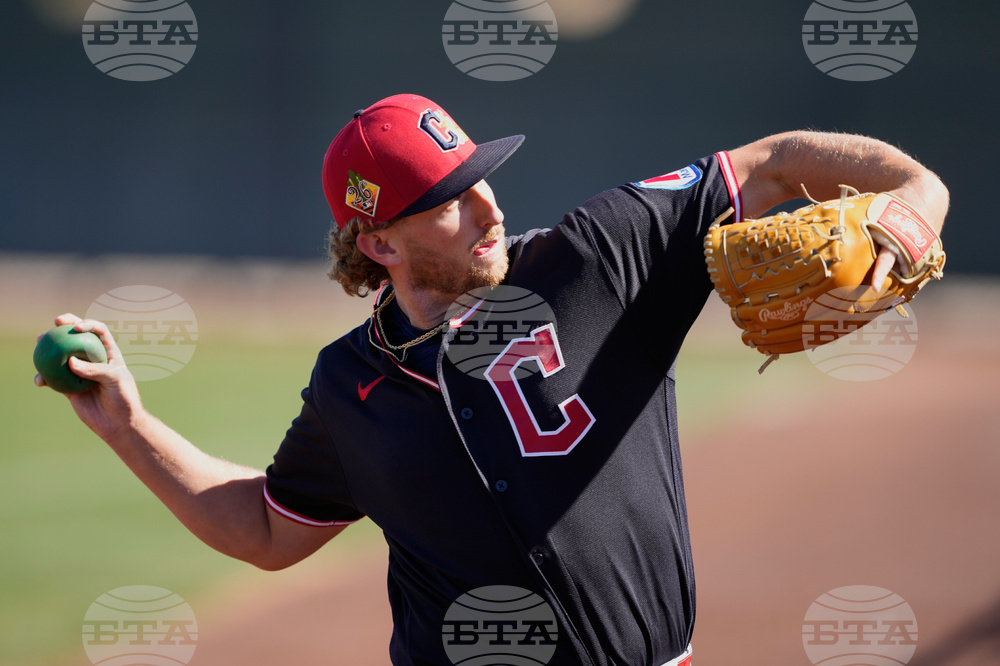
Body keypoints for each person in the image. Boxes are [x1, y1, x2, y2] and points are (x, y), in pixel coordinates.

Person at [37, 93, 948, 666]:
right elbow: (272, 528)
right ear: (379, 243)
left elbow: (778, 157)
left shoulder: (600, 256)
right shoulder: (350, 382)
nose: (488, 205)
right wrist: (128, 427)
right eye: (447, 198)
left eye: (480, 176)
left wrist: (916, 201)